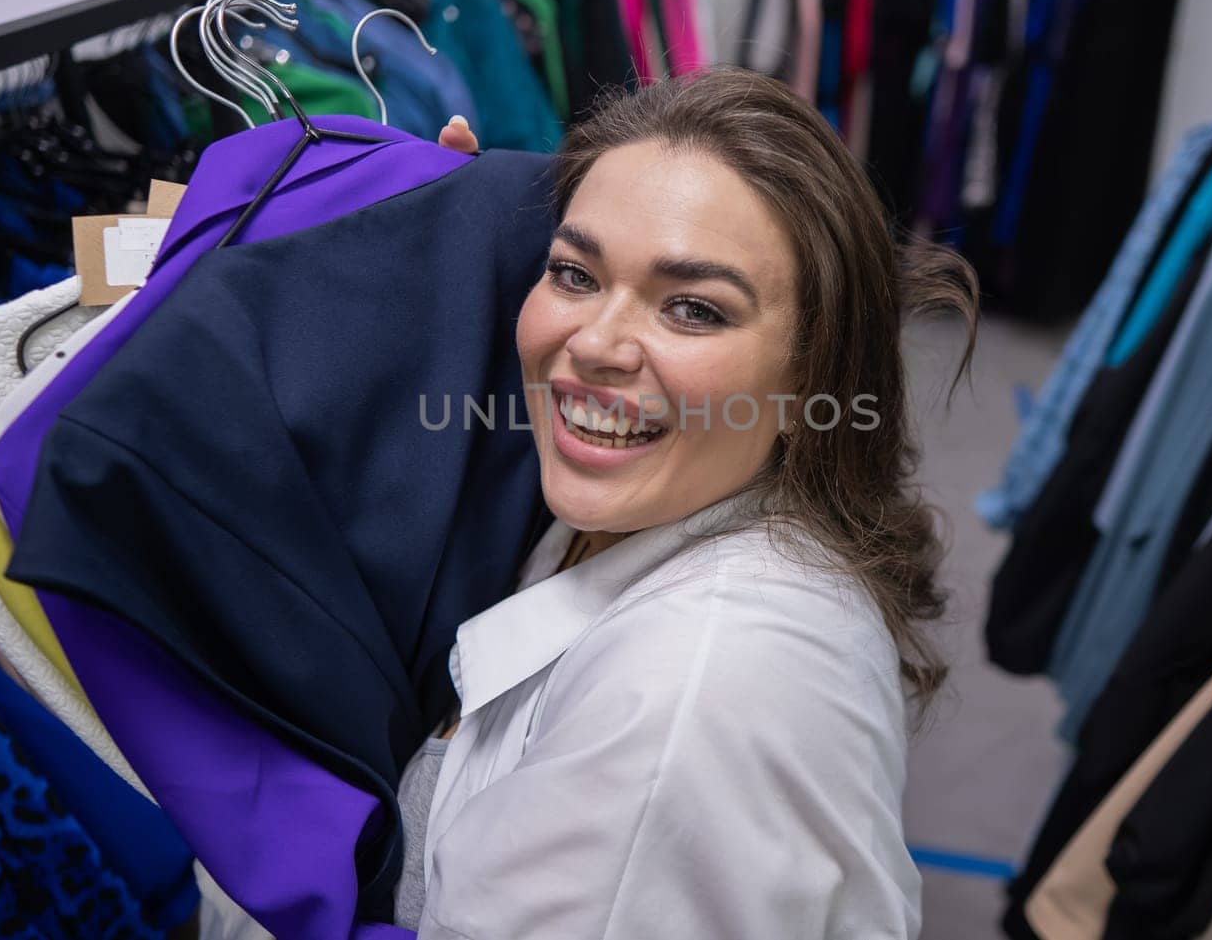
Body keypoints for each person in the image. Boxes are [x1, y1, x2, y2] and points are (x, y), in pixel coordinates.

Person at [406, 66, 978, 938]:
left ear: (812, 370)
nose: (594, 342)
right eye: (574, 273)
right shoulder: (659, 491)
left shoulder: (685, 701)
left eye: (694, 310)